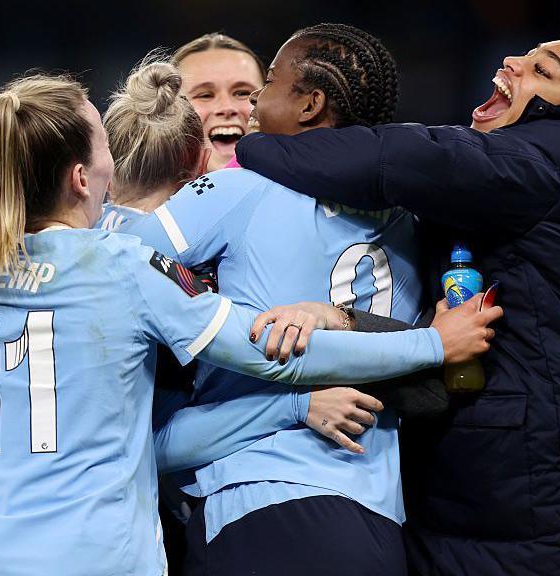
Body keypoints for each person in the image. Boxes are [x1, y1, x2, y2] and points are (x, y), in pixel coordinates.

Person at [0, 72, 484, 576]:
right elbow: (279, 351)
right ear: (82, 178)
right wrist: (430, 344)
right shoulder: (127, 267)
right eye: (102, 142)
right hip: (91, 557)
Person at [236, 41, 560, 575]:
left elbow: (399, 159)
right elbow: (447, 329)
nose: (513, 64)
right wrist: (353, 324)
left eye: (543, 72)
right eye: (525, 56)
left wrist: (243, 151)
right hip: (513, 499)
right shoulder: (520, 180)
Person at [120, 24, 464, 576]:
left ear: (310, 103)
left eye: (262, 84)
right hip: (378, 514)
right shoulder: (410, 218)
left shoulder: (241, 190)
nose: (246, 106)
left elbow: (98, 263)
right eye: (204, 95)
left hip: (258, 499)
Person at [173, 33, 264, 172]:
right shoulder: (135, 191)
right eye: (205, 95)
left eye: (242, 93)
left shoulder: (304, 191)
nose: (227, 107)